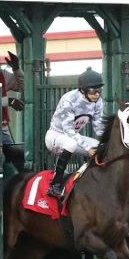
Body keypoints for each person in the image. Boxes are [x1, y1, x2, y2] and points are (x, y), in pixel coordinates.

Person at [44, 68, 106, 199]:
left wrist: (105, 143)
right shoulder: (69, 99)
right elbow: (68, 131)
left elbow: (99, 127)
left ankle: (92, 180)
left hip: (72, 138)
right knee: (71, 143)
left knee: (98, 146)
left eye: (99, 90)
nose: (97, 94)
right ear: (82, 90)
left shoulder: (98, 102)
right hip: (55, 136)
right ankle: (55, 185)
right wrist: (87, 148)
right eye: (93, 90)